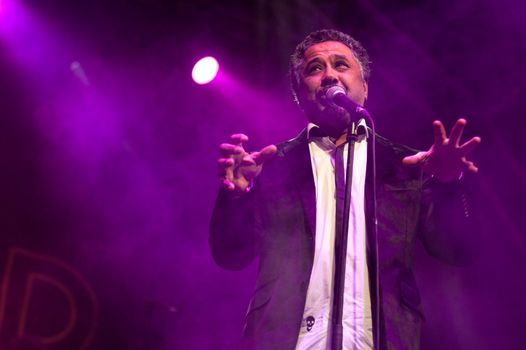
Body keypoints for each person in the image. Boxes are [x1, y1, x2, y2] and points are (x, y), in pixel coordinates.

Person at [210, 29, 480, 350]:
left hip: (380, 340)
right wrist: (236, 196)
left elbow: (457, 250)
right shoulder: (273, 165)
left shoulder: (402, 164)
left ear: (364, 88)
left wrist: (449, 184)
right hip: (286, 340)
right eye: (315, 68)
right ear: (300, 92)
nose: (329, 76)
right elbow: (230, 255)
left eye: (341, 65)